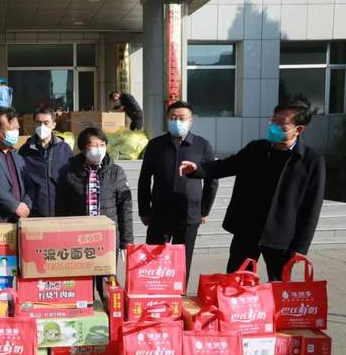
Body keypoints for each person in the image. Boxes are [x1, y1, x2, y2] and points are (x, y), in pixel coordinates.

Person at [179, 101, 325, 281]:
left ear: (299, 129)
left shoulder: (311, 160)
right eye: (273, 120)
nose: (274, 126)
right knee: (237, 281)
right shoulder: (256, 149)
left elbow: (312, 206)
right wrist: (197, 169)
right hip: (247, 229)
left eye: (281, 123)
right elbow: (226, 165)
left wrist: (300, 246)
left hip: (282, 235)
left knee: (278, 286)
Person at [138, 100, 218, 281]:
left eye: (182, 118)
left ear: (191, 121)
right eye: (173, 118)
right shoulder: (155, 145)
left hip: (189, 214)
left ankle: (179, 293)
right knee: (153, 261)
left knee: (182, 261)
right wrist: (144, 210)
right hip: (159, 213)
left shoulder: (202, 145)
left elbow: (212, 179)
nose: (177, 121)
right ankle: (155, 292)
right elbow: (144, 179)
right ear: (167, 119)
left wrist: (204, 210)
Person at [56, 127, 134, 249]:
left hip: (108, 239)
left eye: (102, 145)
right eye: (94, 145)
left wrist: (127, 242)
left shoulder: (116, 172)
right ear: (83, 149)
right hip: (79, 239)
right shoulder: (69, 172)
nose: (99, 149)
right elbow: (61, 208)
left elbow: (125, 208)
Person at [18, 107, 73, 217]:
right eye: (38, 123)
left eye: (46, 123)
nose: (42, 126)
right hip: (34, 212)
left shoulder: (64, 149)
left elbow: (71, 179)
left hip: (60, 212)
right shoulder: (25, 150)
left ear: (53, 125)